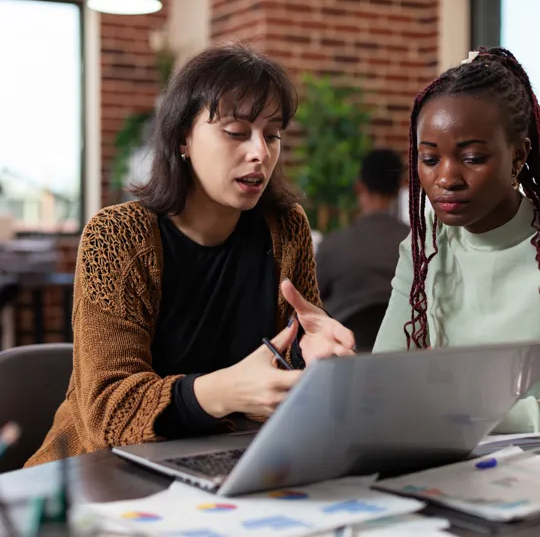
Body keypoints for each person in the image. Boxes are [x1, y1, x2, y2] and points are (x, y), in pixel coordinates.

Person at [26, 44, 355, 467]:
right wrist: (224, 392)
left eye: (272, 134)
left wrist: (310, 356)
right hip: (95, 476)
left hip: (228, 461)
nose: (260, 152)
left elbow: (278, 361)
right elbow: (108, 414)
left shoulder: (286, 228)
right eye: (236, 132)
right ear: (182, 137)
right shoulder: (118, 236)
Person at [373, 47, 540, 431]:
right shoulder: (427, 241)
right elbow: (386, 373)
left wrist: (470, 415)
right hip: (449, 457)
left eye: (473, 158)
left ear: (518, 157)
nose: (447, 178)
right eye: (430, 159)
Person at [316, 149, 409, 351]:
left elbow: (310, 302)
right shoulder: (420, 246)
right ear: (399, 188)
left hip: (345, 364)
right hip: (404, 362)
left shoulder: (333, 246)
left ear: (359, 186)